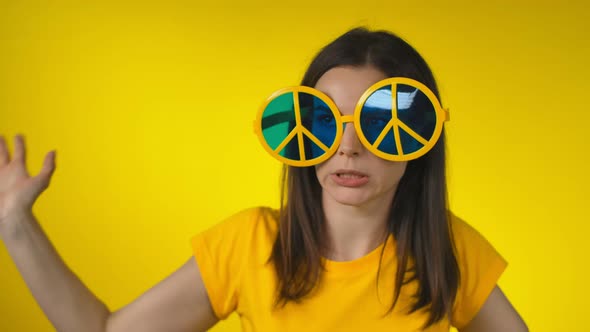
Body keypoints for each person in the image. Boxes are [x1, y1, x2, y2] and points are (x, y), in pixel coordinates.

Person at [0, 27, 528, 331]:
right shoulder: (250, 245)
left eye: (379, 122)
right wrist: (15, 225)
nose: (349, 146)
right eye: (322, 121)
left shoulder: (447, 250)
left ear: (422, 136)